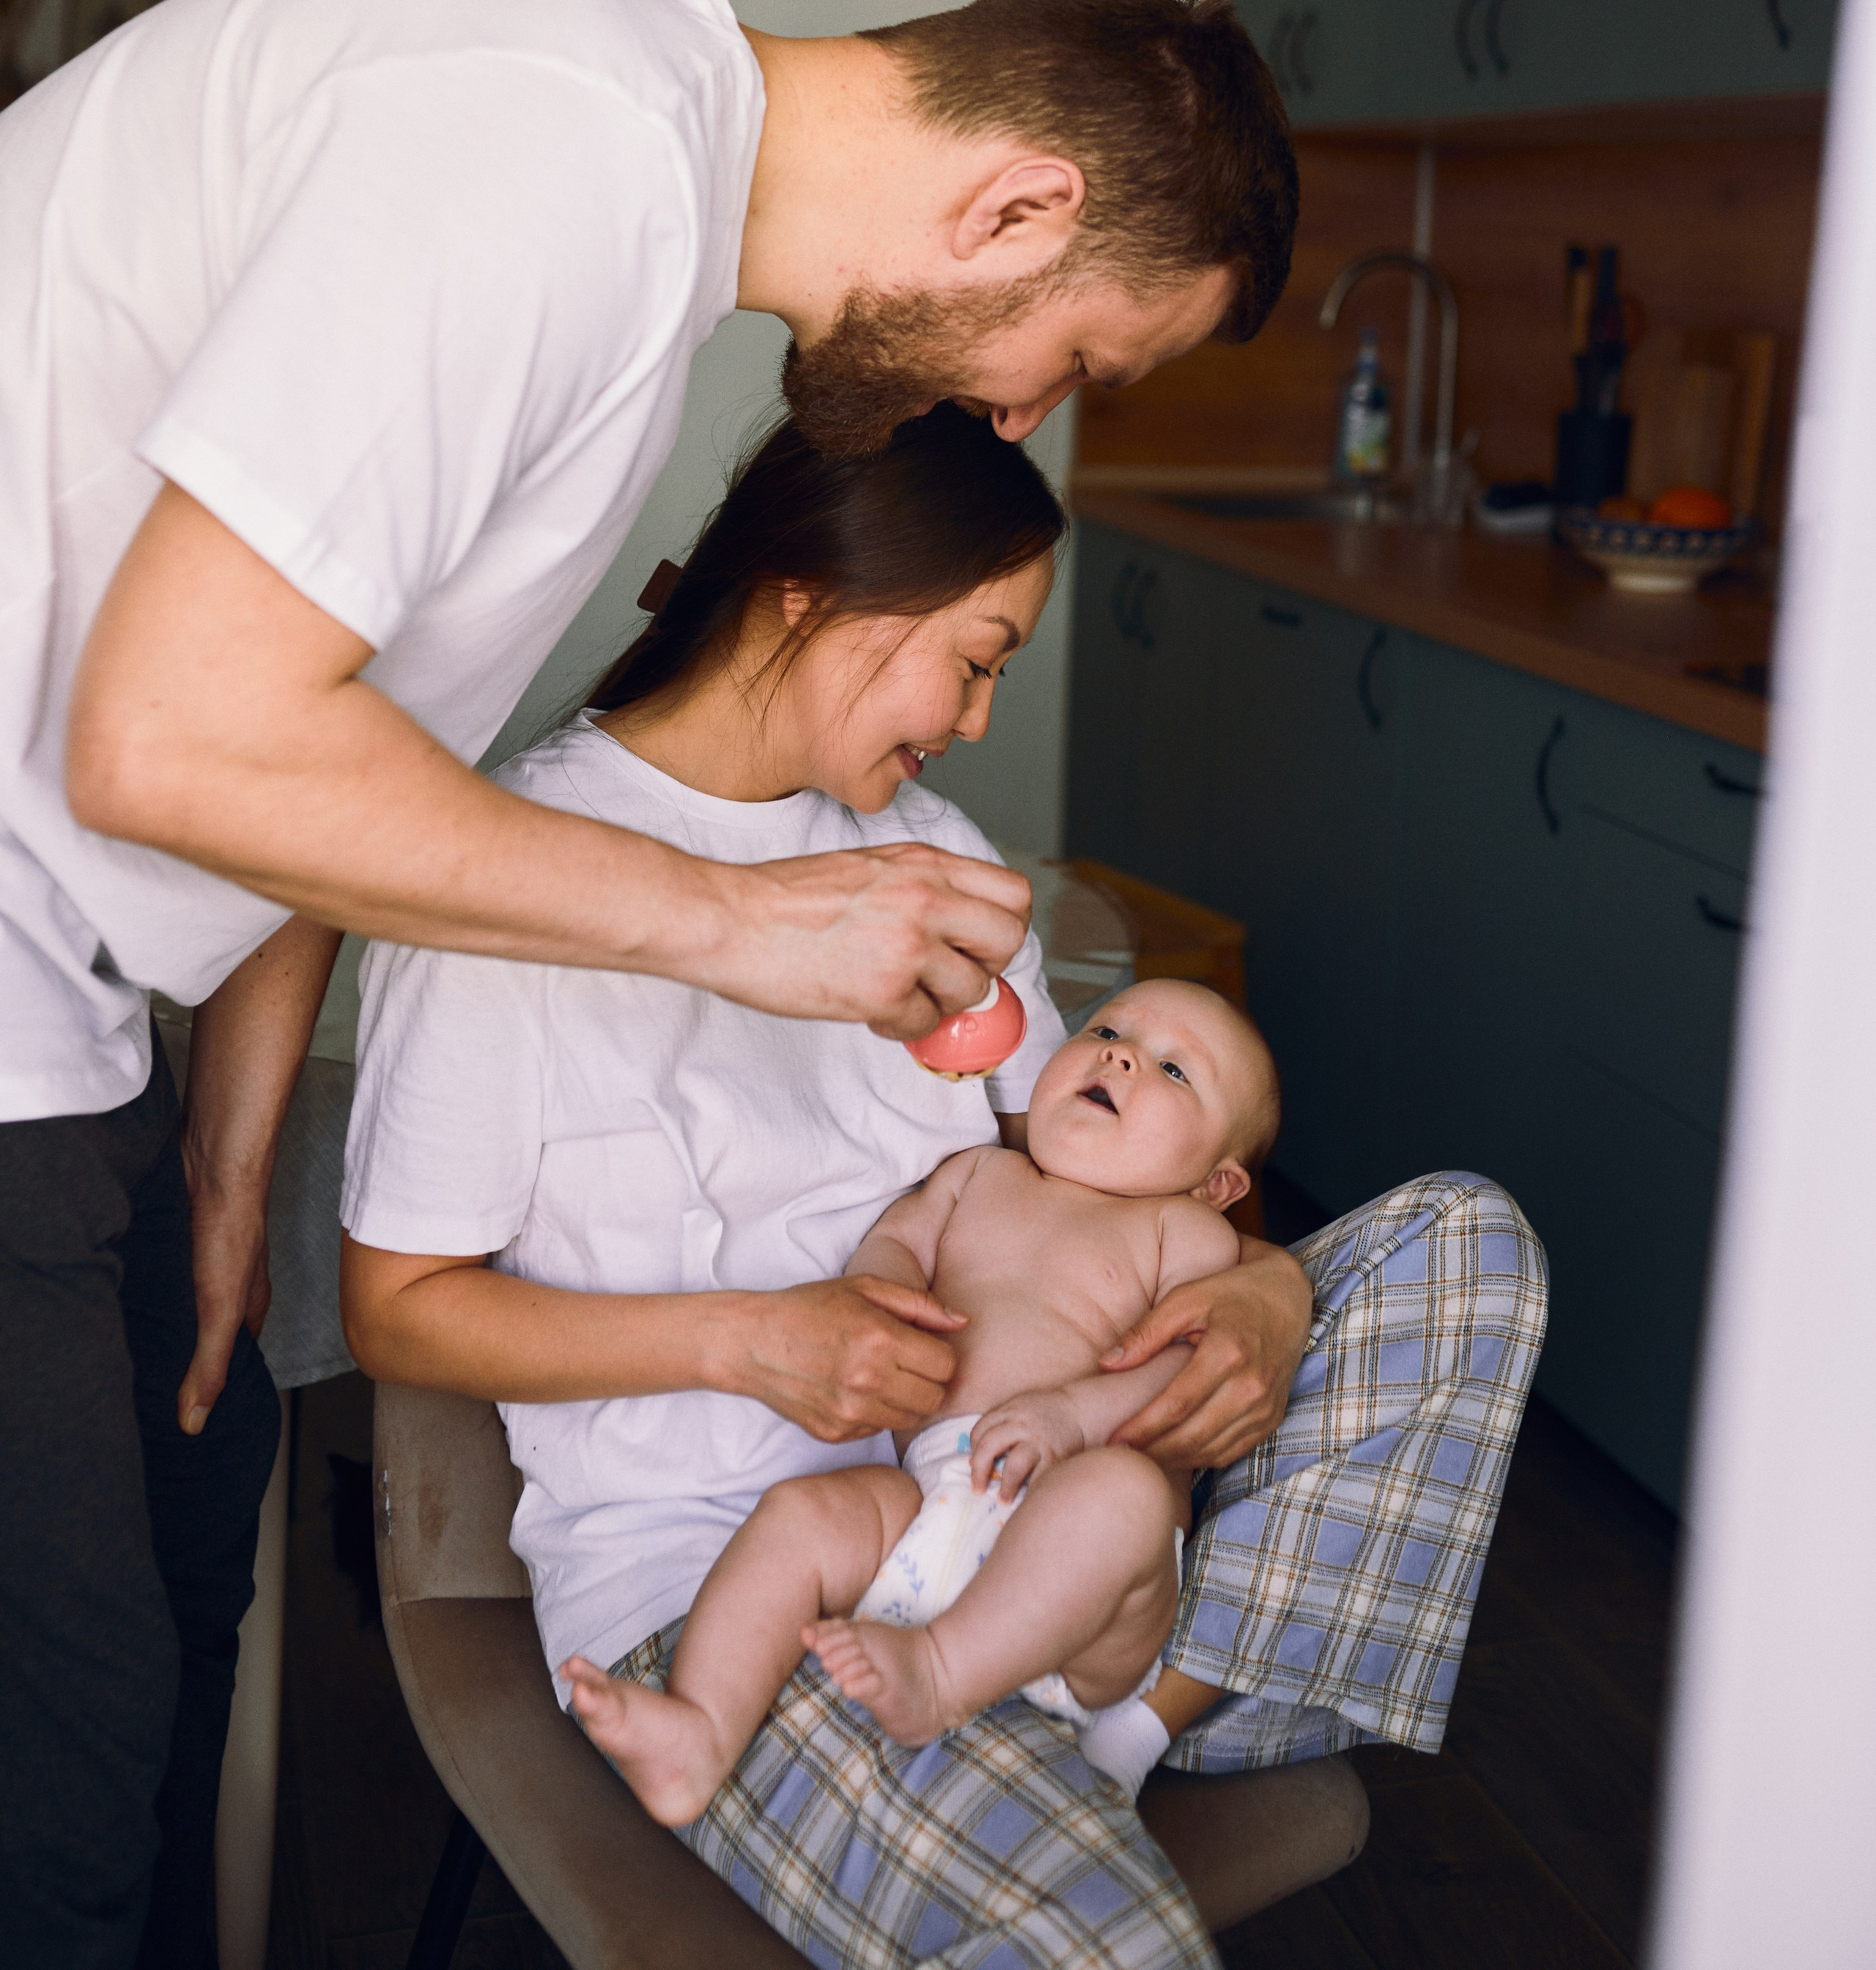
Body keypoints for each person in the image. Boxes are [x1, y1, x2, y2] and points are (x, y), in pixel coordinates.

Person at [0, 0, 1303, 1968]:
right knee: (58, 1775)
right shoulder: (562, 150)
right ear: (1024, 207)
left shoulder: (630, 213)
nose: (1020, 416)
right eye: (1081, 363)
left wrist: (232, 1152)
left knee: (178, 1600)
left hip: (76, 1009)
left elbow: (327, 746)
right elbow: (171, 733)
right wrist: (734, 924)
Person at [341, 405, 1548, 1970]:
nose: (980, 720)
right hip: (736, 1582)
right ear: (809, 597)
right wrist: (745, 1341)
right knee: (1099, 1942)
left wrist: (1261, 1286)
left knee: (1463, 1244)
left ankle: (1110, 1724)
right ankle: (1068, 1760)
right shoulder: (508, 887)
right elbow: (398, 1316)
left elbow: (1101, 1168)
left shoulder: (926, 851)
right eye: (973, 658)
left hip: (1047, 1523)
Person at [562, 981, 1279, 1823]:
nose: (1119, 1054)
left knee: (1119, 1496)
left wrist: (1073, 1417)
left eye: (1171, 1069)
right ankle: (701, 1730)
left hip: (1085, 1566)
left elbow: (1193, 1368)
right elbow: (894, 1244)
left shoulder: (1184, 1234)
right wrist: (886, 1290)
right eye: (1107, 1030)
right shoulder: (978, 1173)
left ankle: (938, 1675)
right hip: (929, 1506)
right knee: (805, 1515)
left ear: (1218, 1183)